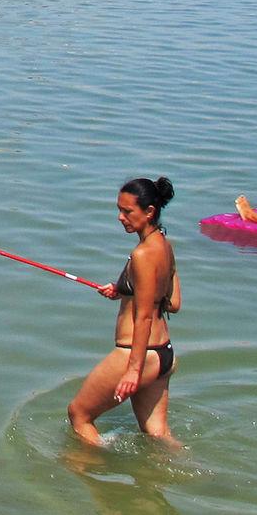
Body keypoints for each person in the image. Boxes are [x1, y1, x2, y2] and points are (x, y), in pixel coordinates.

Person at [69, 176, 181, 447]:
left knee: (79, 415)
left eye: (127, 211)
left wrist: (133, 370)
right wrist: (125, 289)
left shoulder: (142, 255)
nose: (120, 217)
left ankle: (93, 477)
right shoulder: (165, 245)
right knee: (158, 434)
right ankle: (197, 473)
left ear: (149, 211)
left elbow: (143, 316)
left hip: (136, 353)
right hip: (163, 353)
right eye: (119, 210)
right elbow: (173, 302)